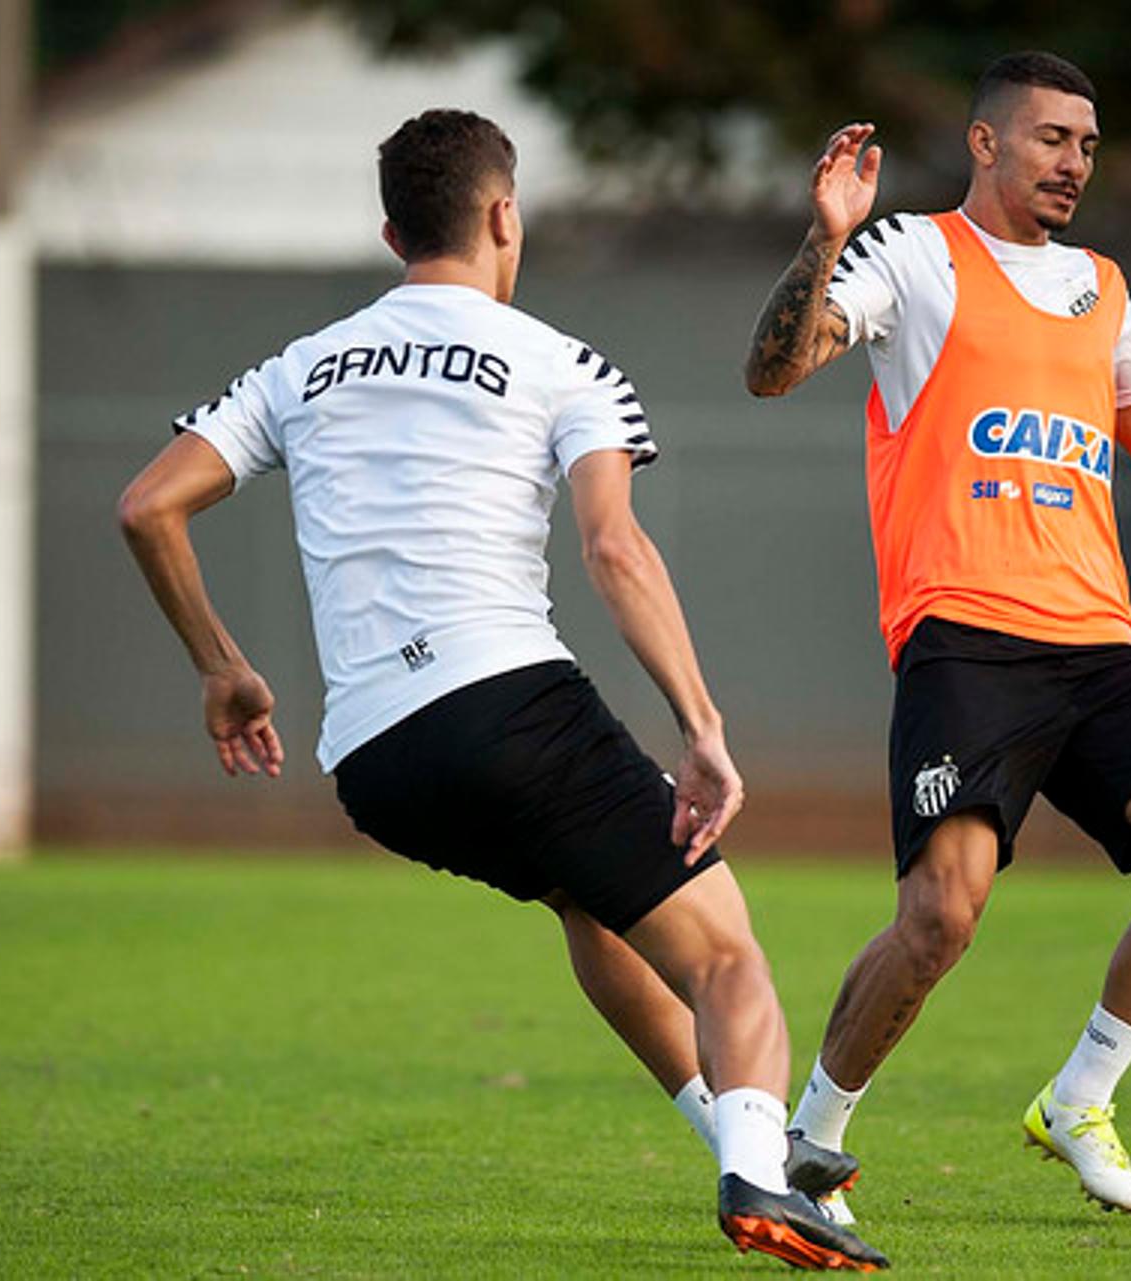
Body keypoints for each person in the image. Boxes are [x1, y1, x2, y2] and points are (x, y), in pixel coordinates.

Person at [116, 109, 886, 1272]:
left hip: (374, 762)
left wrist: (224, 668)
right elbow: (615, 551)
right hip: (508, 704)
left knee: (593, 900)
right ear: (504, 215)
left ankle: (746, 1140)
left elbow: (147, 505)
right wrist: (704, 727)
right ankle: (759, 1178)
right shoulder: (561, 363)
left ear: (390, 232)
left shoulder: (303, 365)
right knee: (729, 958)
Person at [741, 51, 1131, 1219]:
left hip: (1099, 640)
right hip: (965, 637)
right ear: (988, 142)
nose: (1074, 164)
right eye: (1052, 139)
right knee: (942, 915)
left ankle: (1081, 1096)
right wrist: (825, 237)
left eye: (1089, 146)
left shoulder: (1102, 287)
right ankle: (810, 1142)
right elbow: (772, 370)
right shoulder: (911, 254)